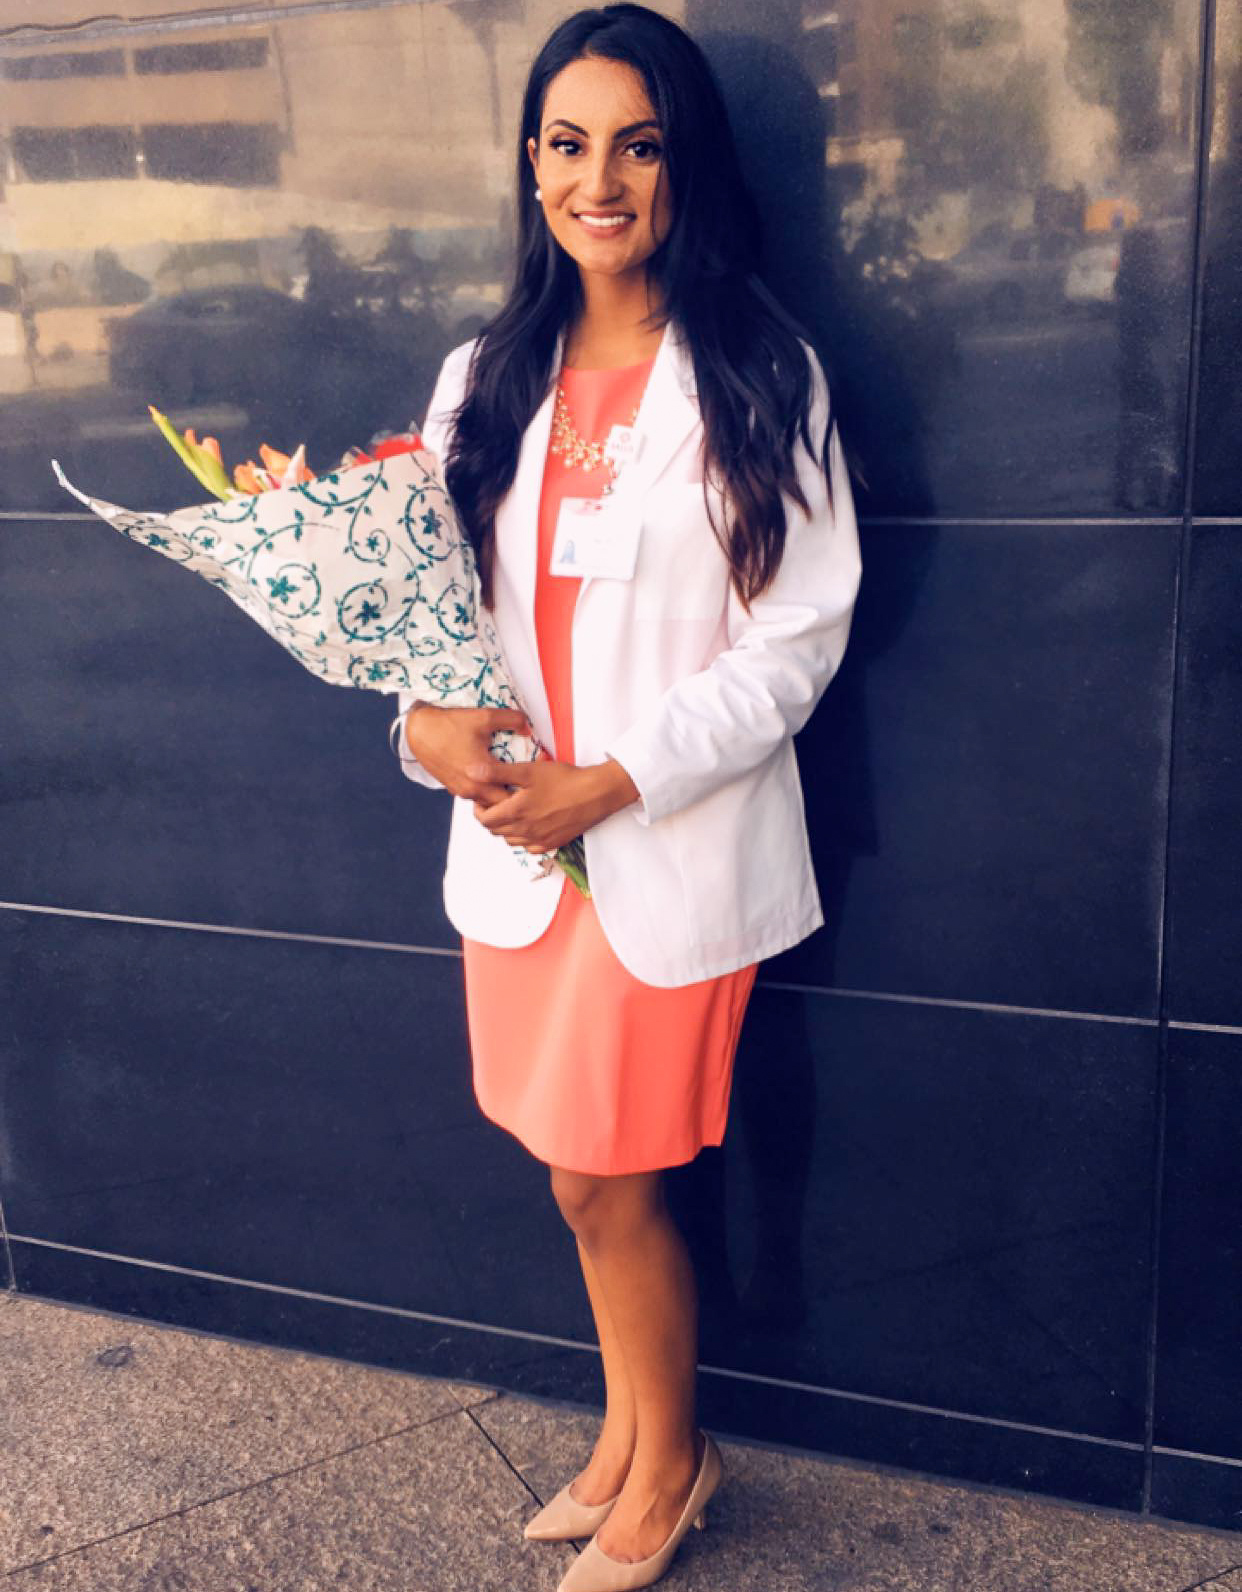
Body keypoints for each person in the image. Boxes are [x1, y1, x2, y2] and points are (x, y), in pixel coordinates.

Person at [390, 7, 861, 1588]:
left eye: (639, 144)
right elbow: (429, 615)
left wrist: (618, 778)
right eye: (571, 142)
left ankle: (672, 1472)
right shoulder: (485, 373)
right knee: (574, 1171)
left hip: (662, 838)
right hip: (522, 850)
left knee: (612, 1170)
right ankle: (626, 1431)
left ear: (683, 166)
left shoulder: (753, 369)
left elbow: (798, 640)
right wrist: (425, 727)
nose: (602, 180)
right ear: (530, 164)